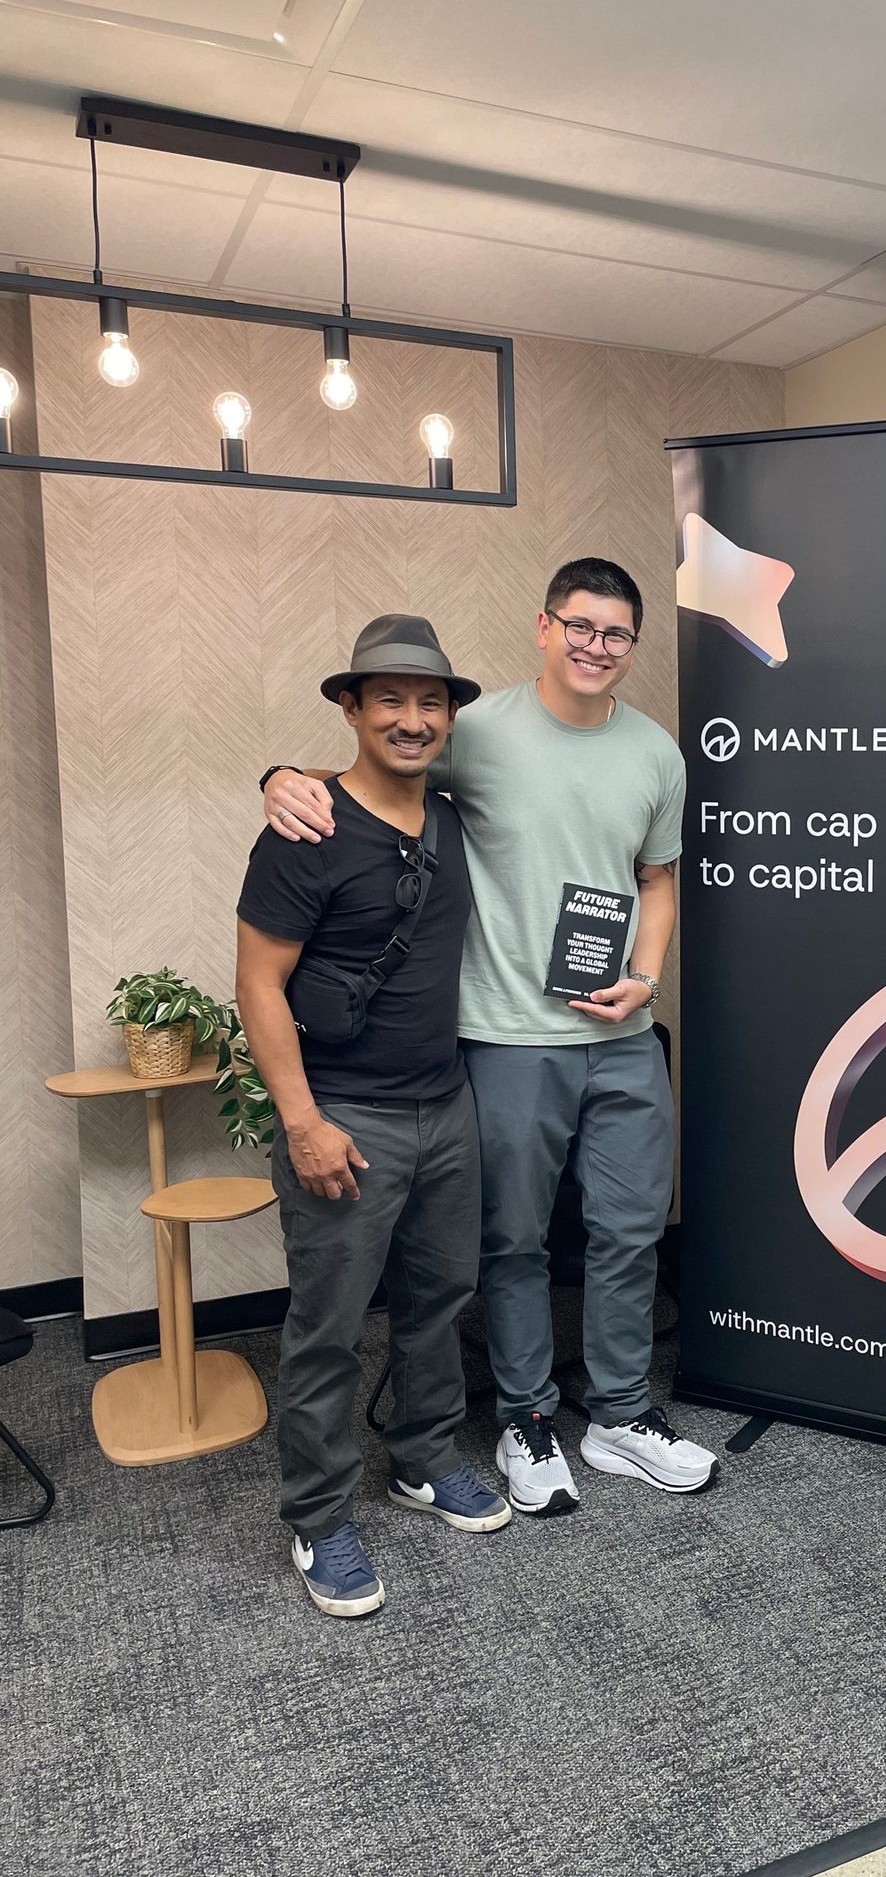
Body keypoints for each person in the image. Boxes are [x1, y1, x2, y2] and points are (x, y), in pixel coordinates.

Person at [262, 560, 718, 1519]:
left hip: (622, 1034)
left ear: (632, 646)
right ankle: (525, 1418)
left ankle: (622, 1415)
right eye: (579, 627)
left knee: (632, 1229)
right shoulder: (478, 732)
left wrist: (647, 974)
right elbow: (369, 774)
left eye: (617, 634)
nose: (597, 647)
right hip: (509, 1038)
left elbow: (658, 879)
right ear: (545, 627)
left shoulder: (657, 754)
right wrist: (277, 780)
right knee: (513, 1242)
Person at [237, 615, 511, 1620]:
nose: (410, 717)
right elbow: (258, 985)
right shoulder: (304, 830)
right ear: (350, 708)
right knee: (328, 1327)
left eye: (429, 700)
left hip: (447, 1106)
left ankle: (425, 1458)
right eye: (388, 698)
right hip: (345, 1117)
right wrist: (302, 1120)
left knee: (441, 1300)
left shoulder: (447, 816)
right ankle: (318, 1516)